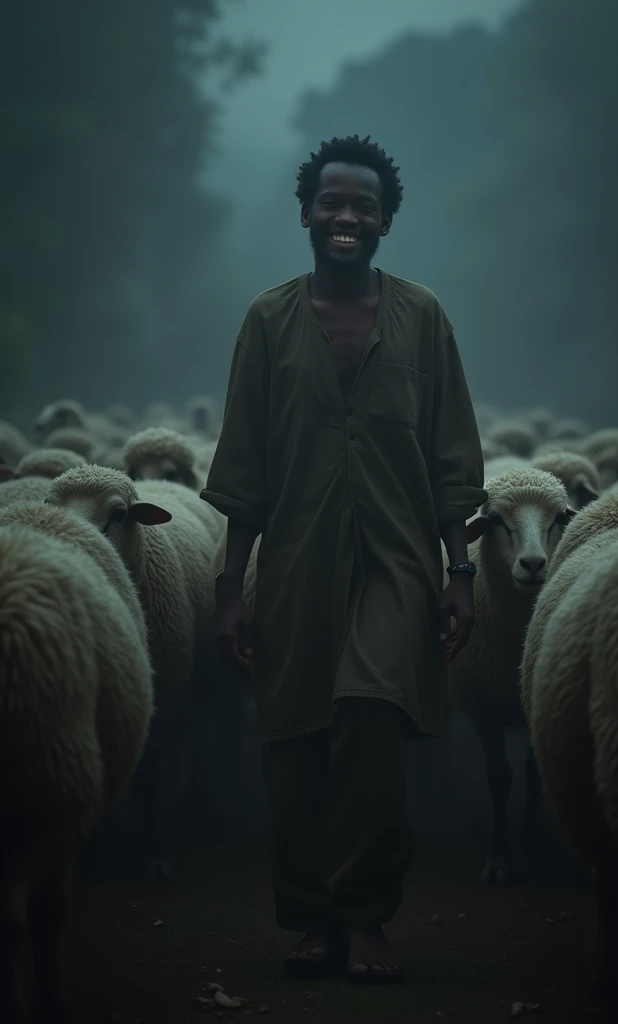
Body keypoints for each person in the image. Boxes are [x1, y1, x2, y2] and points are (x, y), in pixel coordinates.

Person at [201, 134, 487, 983]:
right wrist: (228, 587)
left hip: (400, 561)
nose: (347, 217)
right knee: (294, 739)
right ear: (306, 213)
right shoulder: (267, 320)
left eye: (364, 204)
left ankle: (365, 915)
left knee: (369, 713)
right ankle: (315, 921)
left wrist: (461, 571)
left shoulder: (424, 318)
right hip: (293, 559)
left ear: (387, 220)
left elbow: (450, 458)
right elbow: (245, 463)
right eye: (333, 202)